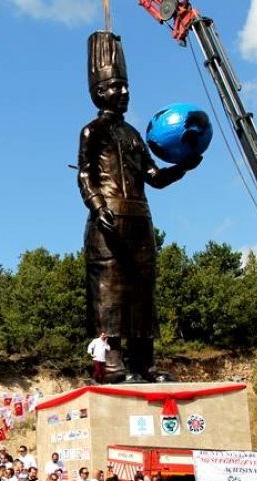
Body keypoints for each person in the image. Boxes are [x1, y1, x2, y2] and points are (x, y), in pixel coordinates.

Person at [77, 30, 200, 382]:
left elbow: (154, 177)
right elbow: (85, 175)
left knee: (143, 292)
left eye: (126, 87)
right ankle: (113, 364)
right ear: (100, 92)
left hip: (140, 221)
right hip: (109, 223)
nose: (124, 93)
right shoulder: (92, 131)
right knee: (110, 292)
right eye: (116, 87)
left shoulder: (133, 134)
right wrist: (98, 206)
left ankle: (144, 363)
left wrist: (182, 168)